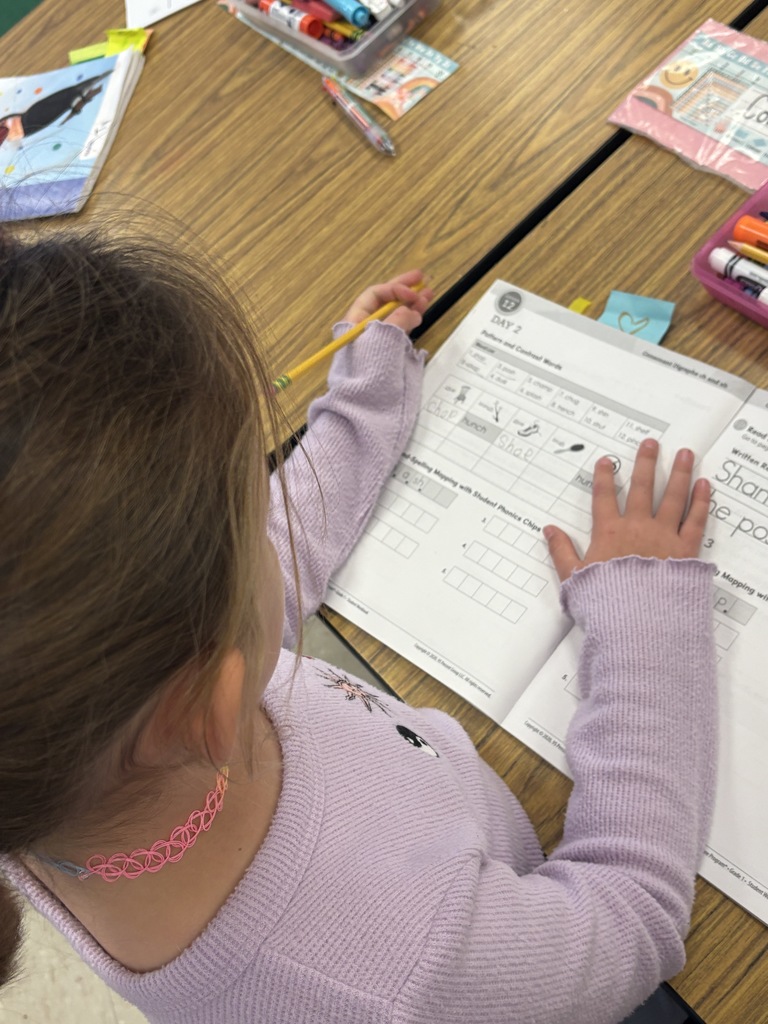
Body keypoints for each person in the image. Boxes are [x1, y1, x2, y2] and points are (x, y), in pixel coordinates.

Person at [0, 227, 716, 1024]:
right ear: (207, 696)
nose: (269, 515)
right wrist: (646, 622)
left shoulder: (55, 754)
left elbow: (272, 542)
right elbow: (632, 914)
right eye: (248, 495)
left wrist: (363, 393)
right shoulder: (404, 970)